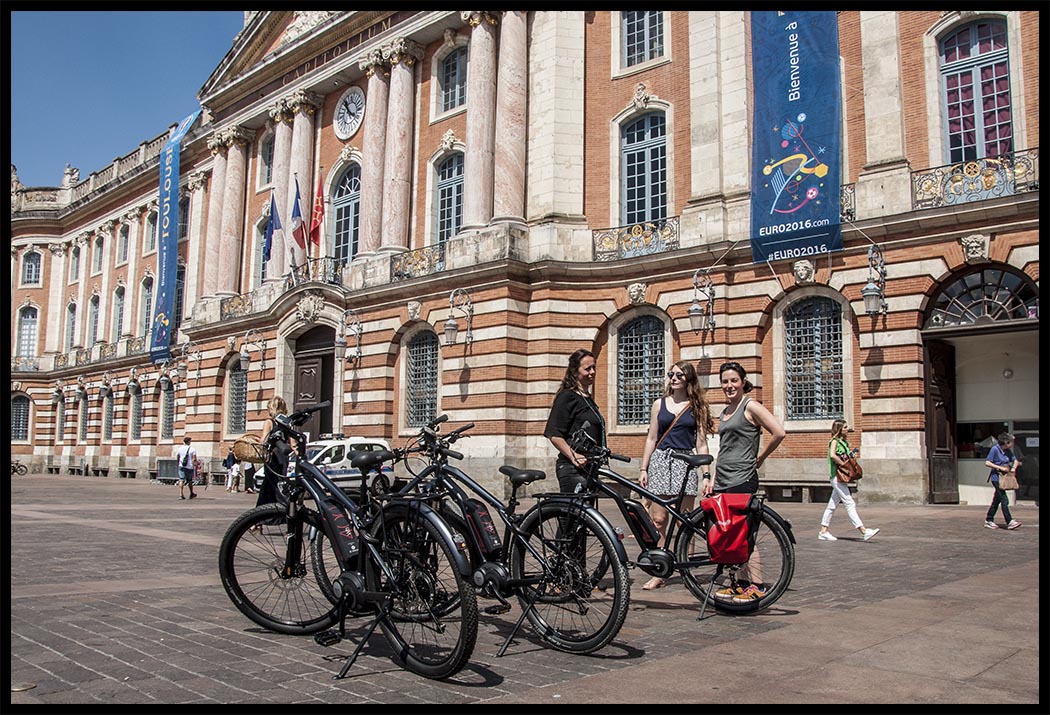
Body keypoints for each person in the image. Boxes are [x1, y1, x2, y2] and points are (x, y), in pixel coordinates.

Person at [706, 361, 786, 603]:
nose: (729, 385)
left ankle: (757, 585)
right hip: (724, 479)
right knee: (730, 535)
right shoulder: (726, 410)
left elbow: (779, 432)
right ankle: (740, 583)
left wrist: (759, 458)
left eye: (733, 381)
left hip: (742, 478)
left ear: (743, 382)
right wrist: (712, 477)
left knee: (746, 533)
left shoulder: (750, 406)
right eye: (725, 381)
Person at [636, 360, 714, 590]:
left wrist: (707, 473)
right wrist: (644, 468)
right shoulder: (659, 404)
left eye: (679, 375)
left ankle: (685, 568)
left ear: (688, 379)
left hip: (685, 462)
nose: (674, 378)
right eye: (671, 374)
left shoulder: (697, 406)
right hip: (660, 460)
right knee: (658, 519)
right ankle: (661, 569)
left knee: (685, 521)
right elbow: (651, 437)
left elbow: (701, 443)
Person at [544, 348, 605, 495]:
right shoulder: (567, 397)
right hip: (573, 470)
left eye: (594, 367)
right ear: (575, 372)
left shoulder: (587, 398)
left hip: (589, 469)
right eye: (587, 369)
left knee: (587, 517)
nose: (592, 372)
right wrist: (574, 456)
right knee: (573, 516)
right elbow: (554, 434)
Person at [818, 419, 880, 541]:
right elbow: (832, 455)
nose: (848, 429)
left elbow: (844, 456)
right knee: (849, 502)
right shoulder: (834, 441)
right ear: (839, 429)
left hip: (840, 476)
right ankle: (863, 531)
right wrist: (843, 465)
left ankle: (823, 531)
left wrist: (851, 456)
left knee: (832, 505)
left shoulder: (844, 443)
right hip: (837, 476)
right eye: (845, 427)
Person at [255, 395, 291, 510]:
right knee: (279, 483)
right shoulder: (287, 423)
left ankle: (259, 519)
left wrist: (258, 441)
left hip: (273, 457)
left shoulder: (269, 422)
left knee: (269, 485)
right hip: (283, 457)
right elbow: (292, 443)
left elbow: (264, 440)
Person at [984, 432, 1022, 530]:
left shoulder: (1007, 451)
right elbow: (987, 462)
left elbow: (1015, 460)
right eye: (1011, 442)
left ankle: (989, 519)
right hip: (997, 478)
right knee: (1004, 500)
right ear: (1006, 442)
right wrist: (1000, 467)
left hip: (1005, 478)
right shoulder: (995, 449)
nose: (1012, 444)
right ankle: (1009, 521)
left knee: (996, 501)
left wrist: (1013, 467)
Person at [175, 436, 197, 500]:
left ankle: (181, 494)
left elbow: (178, 457)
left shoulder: (180, 448)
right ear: (189, 442)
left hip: (181, 466)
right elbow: (194, 459)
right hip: (189, 467)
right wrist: (196, 464)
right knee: (190, 480)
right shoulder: (192, 449)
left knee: (181, 479)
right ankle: (191, 493)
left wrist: (179, 463)